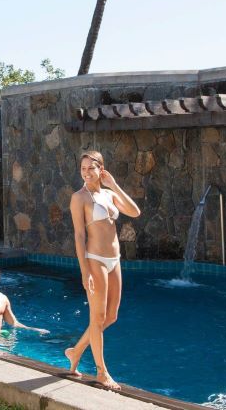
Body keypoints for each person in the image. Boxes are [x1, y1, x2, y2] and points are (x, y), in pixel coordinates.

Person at [64, 150, 141, 391]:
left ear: (101, 170)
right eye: (83, 169)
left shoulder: (108, 194)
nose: (86, 173)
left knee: (111, 316)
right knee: (96, 318)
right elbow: (79, 236)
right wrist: (83, 269)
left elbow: (135, 212)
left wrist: (114, 185)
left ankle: (75, 351)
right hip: (95, 259)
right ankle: (101, 372)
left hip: (114, 260)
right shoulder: (79, 198)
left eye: (91, 168)